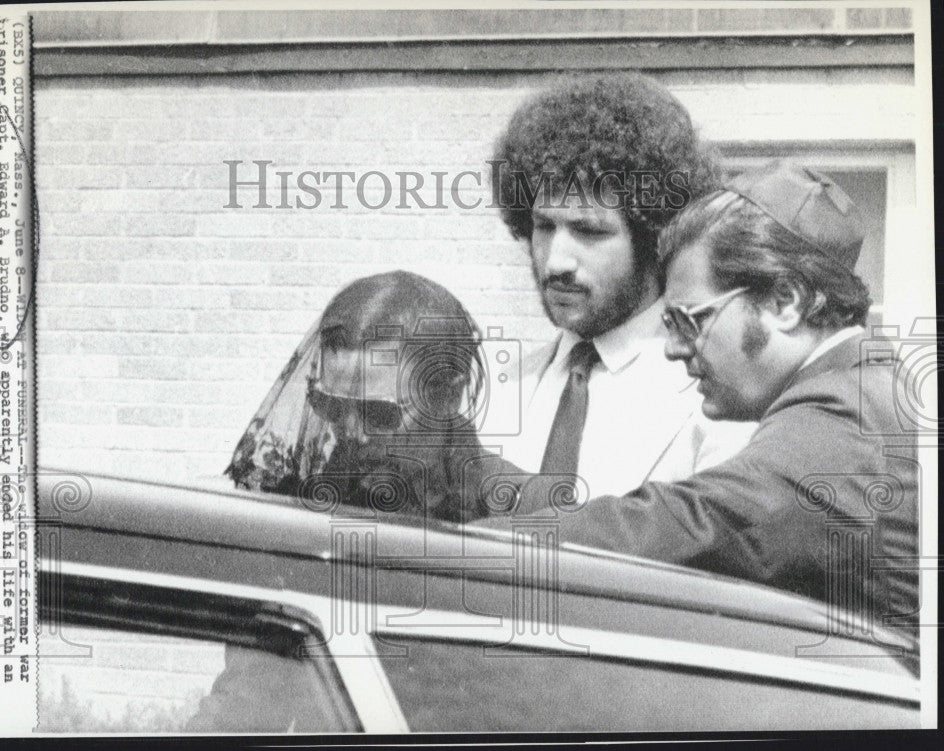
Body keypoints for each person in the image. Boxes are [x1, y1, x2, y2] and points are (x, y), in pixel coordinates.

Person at [480, 160, 919, 633]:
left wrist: (449, 545)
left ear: (785, 302)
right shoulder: (857, 389)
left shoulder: (847, 420)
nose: (674, 348)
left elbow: (690, 524)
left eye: (692, 320)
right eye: (669, 323)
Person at [488, 73, 755, 501]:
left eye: (589, 232)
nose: (556, 261)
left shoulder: (718, 401)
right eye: (543, 226)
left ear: (654, 237)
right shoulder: (496, 390)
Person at [226, 269, 515, 524]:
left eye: (378, 412)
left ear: (448, 397)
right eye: (331, 405)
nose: (351, 433)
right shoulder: (305, 496)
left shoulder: (509, 508)